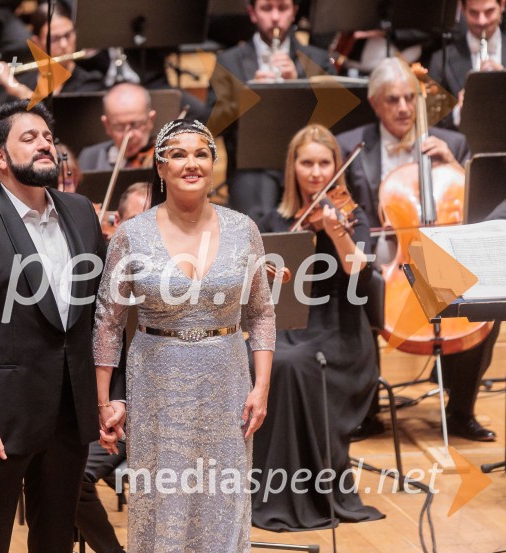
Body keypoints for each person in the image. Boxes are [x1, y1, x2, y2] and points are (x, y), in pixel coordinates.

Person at [0, 100, 112, 552]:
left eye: (48, 139)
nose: (44, 146)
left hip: (69, 411)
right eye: (29, 139)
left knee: (55, 538)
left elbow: (101, 313)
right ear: (0, 156)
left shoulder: (80, 212)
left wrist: (109, 393)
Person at [94, 119, 276, 552]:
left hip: (228, 378)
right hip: (157, 380)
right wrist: (105, 401)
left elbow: (262, 314)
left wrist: (262, 385)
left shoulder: (243, 228)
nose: (190, 163)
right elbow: (108, 322)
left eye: (200, 154)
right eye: (178, 154)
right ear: (160, 167)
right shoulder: (130, 234)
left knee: (223, 496)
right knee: (163, 499)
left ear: (213, 164)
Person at [337, 58, 496, 442]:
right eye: (393, 100)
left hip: (441, 252)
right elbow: (342, 203)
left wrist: (456, 169)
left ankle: (461, 411)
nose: (405, 108)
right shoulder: (351, 145)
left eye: (411, 98)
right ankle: (367, 410)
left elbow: (477, 208)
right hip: (383, 253)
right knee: (358, 291)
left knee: (486, 307)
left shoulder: (453, 143)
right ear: (376, 103)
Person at [253, 124, 384, 530]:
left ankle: (305, 493)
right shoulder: (278, 217)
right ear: (292, 166)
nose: (315, 172)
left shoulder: (352, 215)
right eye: (306, 162)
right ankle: (258, 486)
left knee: (291, 365)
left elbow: (360, 277)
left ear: (336, 167)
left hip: (341, 333)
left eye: (324, 163)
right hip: (290, 326)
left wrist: (336, 234)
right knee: (253, 357)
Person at [206, 0, 335, 224]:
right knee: (255, 231)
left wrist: (299, 84)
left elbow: (334, 120)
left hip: (307, 164)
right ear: (252, 13)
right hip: (251, 167)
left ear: (294, 12)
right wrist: (247, 95)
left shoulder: (318, 59)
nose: (275, 17)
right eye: (266, 9)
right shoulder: (228, 61)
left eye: (282, 8)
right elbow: (211, 125)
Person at [75, 182, 149, 553]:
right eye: (136, 221)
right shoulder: (96, 277)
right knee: (72, 477)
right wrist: (115, 402)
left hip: (168, 411)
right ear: (116, 222)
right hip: (113, 413)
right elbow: (100, 352)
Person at [0, 0, 104, 104]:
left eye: (68, 35)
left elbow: (55, 119)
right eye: (54, 39)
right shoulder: (21, 80)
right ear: (37, 43)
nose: (64, 45)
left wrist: (18, 91)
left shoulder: (91, 84)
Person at [428, 0, 505, 127]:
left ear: (502, 5)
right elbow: (431, 120)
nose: (482, 21)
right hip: (464, 144)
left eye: (489, 11)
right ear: (462, 9)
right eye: (474, 13)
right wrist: (460, 112)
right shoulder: (441, 60)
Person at [77, 83, 157, 172]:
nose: (129, 135)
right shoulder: (90, 158)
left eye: (136, 125)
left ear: (151, 120)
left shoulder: (163, 157)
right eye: (119, 127)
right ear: (107, 125)